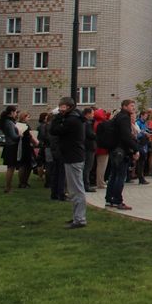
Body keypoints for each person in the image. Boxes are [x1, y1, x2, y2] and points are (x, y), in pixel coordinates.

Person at [50, 97, 87, 229]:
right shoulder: (75, 118)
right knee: (74, 189)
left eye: (63, 107)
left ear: (69, 107)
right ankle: (77, 216)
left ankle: (80, 219)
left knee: (76, 189)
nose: (60, 109)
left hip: (73, 156)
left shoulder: (72, 120)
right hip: (73, 155)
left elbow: (54, 130)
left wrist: (57, 117)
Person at [106, 99, 138, 210]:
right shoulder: (124, 118)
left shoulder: (117, 117)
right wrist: (135, 149)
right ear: (124, 106)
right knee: (120, 176)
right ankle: (117, 200)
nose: (133, 108)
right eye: (131, 106)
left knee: (113, 175)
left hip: (114, 149)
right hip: (121, 151)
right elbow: (126, 136)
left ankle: (110, 199)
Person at [0, 105, 21, 194]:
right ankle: (8, 187)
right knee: (11, 168)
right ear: (11, 112)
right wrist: (20, 135)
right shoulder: (9, 122)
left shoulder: (8, 121)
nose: (16, 114)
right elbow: (13, 136)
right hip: (11, 146)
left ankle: (8, 187)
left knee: (11, 168)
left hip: (9, 146)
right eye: (15, 112)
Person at [93, 109, 111, 189]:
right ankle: (100, 183)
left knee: (100, 165)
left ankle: (100, 181)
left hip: (98, 147)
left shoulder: (96, 123)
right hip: (102, 148)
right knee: (102, 166)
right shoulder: (101, 124)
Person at [82, 107, 96, 192]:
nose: (93, 115)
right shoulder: (86, 124)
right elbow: (90, 134)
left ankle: (86, 184)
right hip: (88, 147)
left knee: (87, 167)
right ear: (87, 114)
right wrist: (96, 134)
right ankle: (86, 185)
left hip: (89, 147)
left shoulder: (88, 123)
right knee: (87, 167)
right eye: (92, 113)